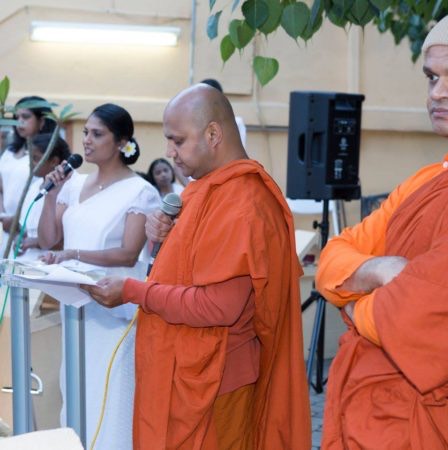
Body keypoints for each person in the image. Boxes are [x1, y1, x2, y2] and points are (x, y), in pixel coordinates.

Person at [81, 84, 311, 449]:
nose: (169, 152)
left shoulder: (244, 203)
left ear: (213, 134)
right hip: (186, 372)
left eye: (177, 141)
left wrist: (131, 291)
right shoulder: (204, 189)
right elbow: (188, 267)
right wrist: (164, 236)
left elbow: (219, 306)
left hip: (217, 383)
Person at [315, 15, 448, 450]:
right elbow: (334, 256)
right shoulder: (426, 181)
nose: (437, 93)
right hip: (370, 413)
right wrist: (376, 270)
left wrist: (354, 307)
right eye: (431, 77)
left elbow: (420, 314)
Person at [37, 103, 160, 449]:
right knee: (76, 397)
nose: (87, 140)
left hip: (113, 313)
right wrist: (51, 195)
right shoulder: (73, 185)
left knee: (111, 402)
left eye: (97, 134)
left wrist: (73, 255)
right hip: (75, 310)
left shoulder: (140, 192)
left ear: (121, 142)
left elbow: (128, 253)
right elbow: (49, 240)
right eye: (86, 133)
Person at [0, 96, 56, 256]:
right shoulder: (9, 151)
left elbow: (48, 190)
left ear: (42, 121)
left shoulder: (48, 155)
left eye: (25, 117)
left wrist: (18, 221)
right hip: (6, 228)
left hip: (30, 230)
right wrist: (3, 216)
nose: (20, 122)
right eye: (16, 117)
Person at [15, 133, 71, 261]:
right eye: (29, 158)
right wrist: (19, 238)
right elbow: (25, 227)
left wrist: (35, 242)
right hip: (26, 261)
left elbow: (69, 239)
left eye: (35, 158)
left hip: (51, 263)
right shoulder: (34, 186)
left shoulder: (69, 187)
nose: (30, 163)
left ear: (54, 161)